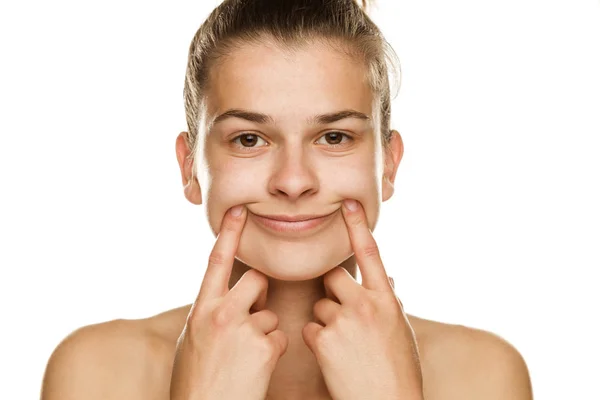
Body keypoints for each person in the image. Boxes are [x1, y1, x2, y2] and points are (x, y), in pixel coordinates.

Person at [40, 0, 533, 398]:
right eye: (249, 139)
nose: (293, 182)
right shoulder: (95, 373)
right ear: (190, 168)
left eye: (334, 137)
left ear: (389, 165)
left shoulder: (484, 376)